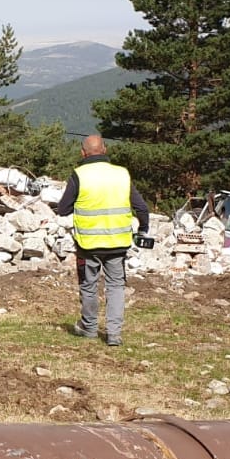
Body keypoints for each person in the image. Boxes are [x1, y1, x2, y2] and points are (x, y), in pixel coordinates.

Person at [54, 135, 152, 346]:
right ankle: (114, 335)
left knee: (89, 285)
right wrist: (143, 230)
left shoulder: (79, 175)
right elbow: (142, 208)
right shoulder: (122, 174)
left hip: (88, 243)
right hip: (117, 242)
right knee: (116, 286)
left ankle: (89, 329)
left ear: (83, 153)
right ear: (105, 149)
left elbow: (62, 209)